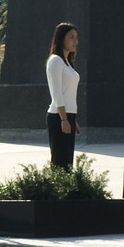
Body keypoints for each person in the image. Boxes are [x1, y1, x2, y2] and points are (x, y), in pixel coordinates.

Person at [46, 22, 81, 168]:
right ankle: (54, 191)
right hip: (58, 116)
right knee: (60, 164)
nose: (75, 41)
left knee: (68, 163)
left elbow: (69, 93)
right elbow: (56, 93)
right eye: (71, 37)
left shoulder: (67, 62)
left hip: (68, 116)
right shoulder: (55, 60)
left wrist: (73, 120)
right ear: (61, 39)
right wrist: (64, 118)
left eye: (76, 37)